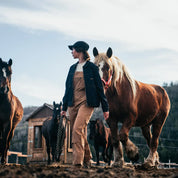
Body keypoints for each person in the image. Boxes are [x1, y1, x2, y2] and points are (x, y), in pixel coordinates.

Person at [61, 41, 109, 168]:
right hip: (72, 104)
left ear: (80, 51)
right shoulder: (72, 68)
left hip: (87, 103)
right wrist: (64, 107)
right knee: (79, 131)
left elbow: (100, 88)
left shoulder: (92, 68)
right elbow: (67, 89)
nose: (72, 52)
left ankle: (77, 162)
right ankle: (87, 158)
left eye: (73, 50)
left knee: (77, 129)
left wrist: (105, 108)